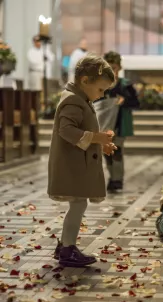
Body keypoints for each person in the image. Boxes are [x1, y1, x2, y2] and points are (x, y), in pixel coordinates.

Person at [48, 54, 117, 267]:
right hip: (71, 166)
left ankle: (64, 245)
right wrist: (97, 138)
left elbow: (81, 130)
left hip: (76, 164)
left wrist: (100, 143)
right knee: (78, 205)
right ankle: (67, 248)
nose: (102, 94)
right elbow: (66, 131)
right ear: (85, 81)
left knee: (78, 204)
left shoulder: (80, 98)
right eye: (101, 90)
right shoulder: (72, 100)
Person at [94, 51, 140, 192]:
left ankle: (117, 179)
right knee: (106, 151)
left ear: (119, 68)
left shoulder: (125, 85)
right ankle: (112, 177)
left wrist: (124, 101)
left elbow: (136, 103)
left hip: (119, 123)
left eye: (113, 67)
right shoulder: (100, 85)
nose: (111, 71)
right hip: (103, 124)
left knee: (117, 150)